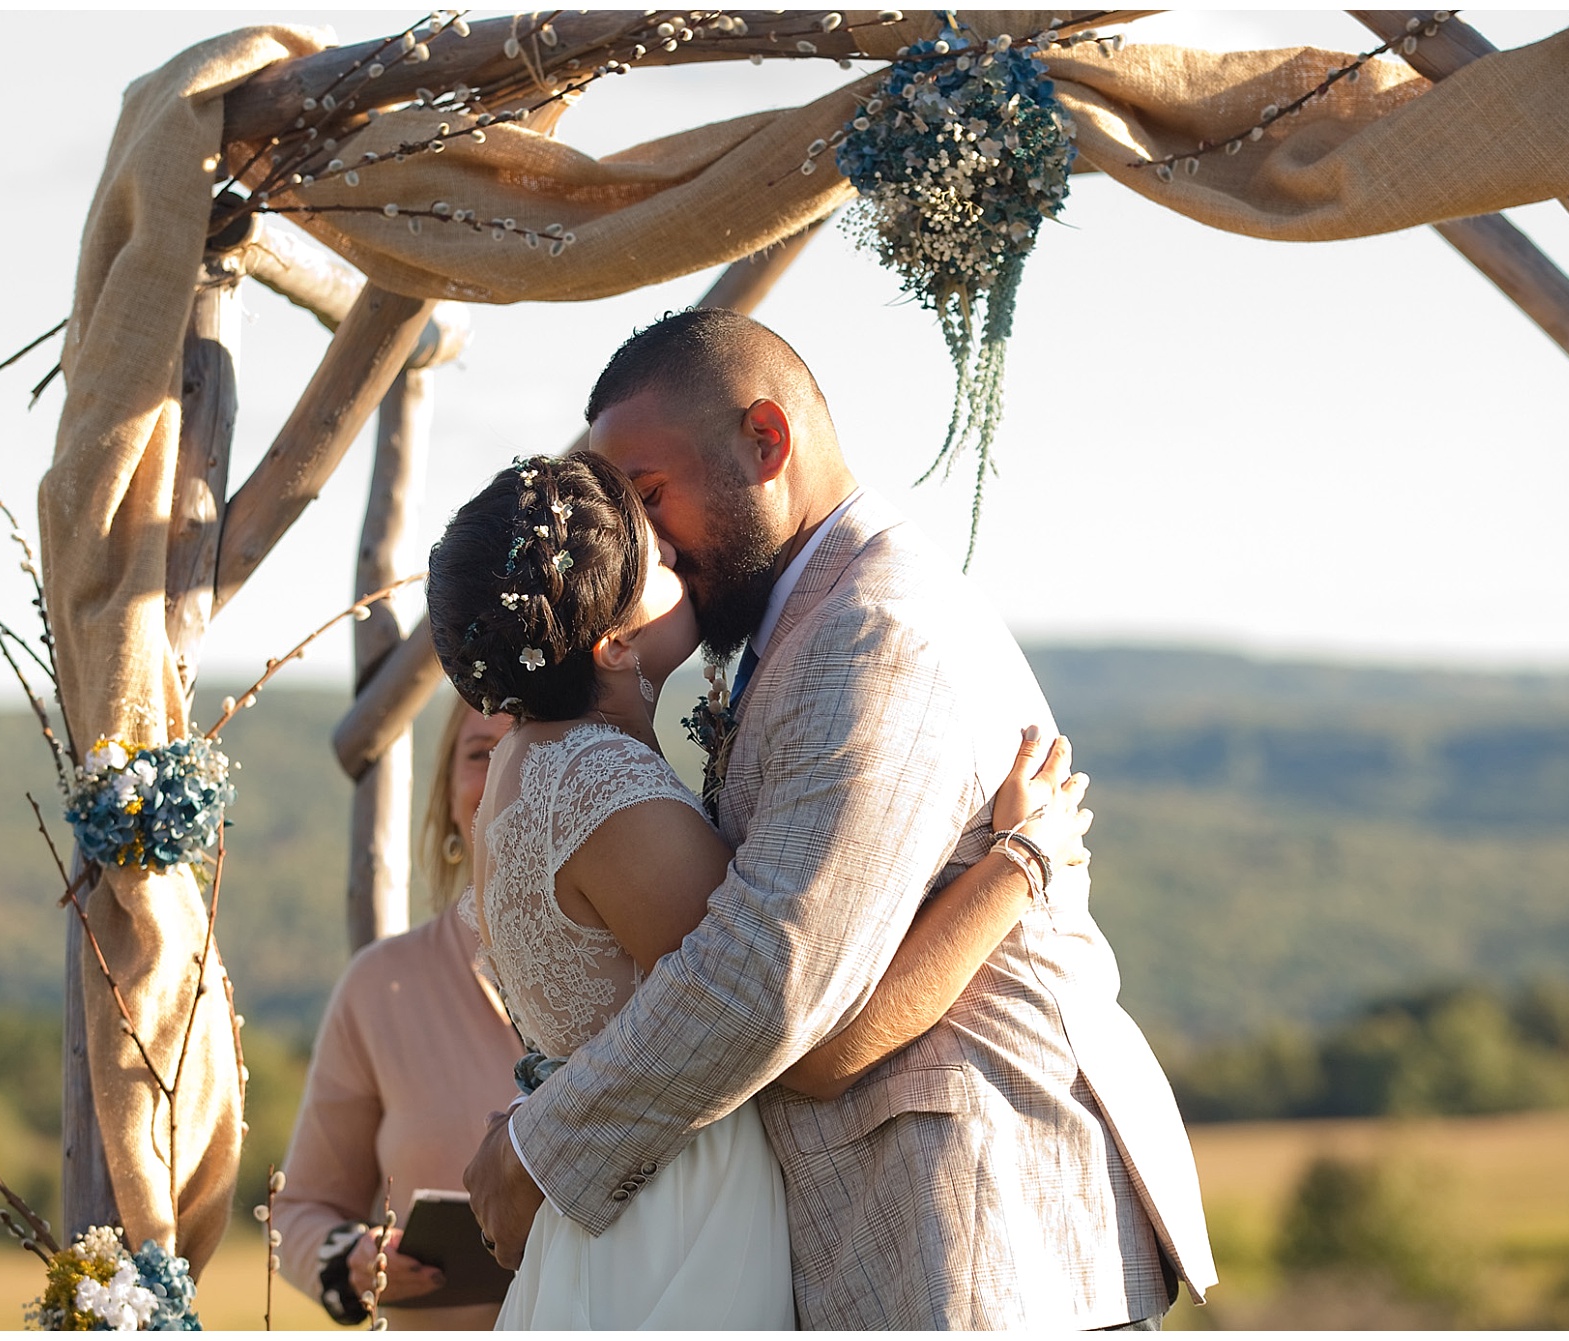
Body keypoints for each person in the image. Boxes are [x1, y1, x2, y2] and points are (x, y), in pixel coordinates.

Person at [464, 309, 1216, 1328]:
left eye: (649, 497)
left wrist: (540, 1147)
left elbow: (778, 990)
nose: (643, 543)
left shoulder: (874, 631)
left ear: (764, 443)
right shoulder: (791, 629)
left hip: (970, 1225)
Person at [426, 450, 1092, 1328]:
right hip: (685, 1207)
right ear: (616, 641)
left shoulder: (523, 762)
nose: (681, 566)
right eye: (659, 566)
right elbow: (797, 1016)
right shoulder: (602, 786)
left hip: (623, 1202)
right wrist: (1016, 865)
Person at [272, 700, 522, 1329]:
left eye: (531, 746)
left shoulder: (657, 963)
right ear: (443, 796)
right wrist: (352, 1260)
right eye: (479, 753)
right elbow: (300, 1209)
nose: (507, 773)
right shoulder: (380, 988)